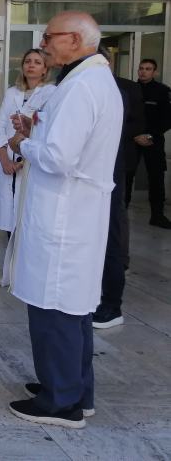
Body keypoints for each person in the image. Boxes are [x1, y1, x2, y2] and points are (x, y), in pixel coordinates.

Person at [4, 11, 122, 429]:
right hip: (73, 214)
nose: (43, 42)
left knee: (54, 307)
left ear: (73, 39)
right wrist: (37, 133)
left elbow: (58, 157)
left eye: (49, 36)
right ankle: (74, 388)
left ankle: (61, 402)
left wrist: (24, 142)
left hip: (63, 216)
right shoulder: (89, 80)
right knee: (73, 308)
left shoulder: (81, 87)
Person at [0, 48, 55, 282]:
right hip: (8, 163)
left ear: (45, 68)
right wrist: (4, 158)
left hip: (31, 164)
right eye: (28, 61)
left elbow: (47, 132)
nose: (31, 65)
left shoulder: (51, 93)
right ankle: (11, 272)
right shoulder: (12, 92)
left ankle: (28, 274)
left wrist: (23, 156)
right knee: (11, 220)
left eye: (37, 62)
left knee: (29, 219)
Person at [93, 69, 144, 329]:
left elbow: (135, 123)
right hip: (92, 175)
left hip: (110, 171)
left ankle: (112, 304)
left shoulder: (118, 90)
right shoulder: (83, 87)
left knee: (112, 235)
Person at [126, 58, 171, 228]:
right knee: (127, 176)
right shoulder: (130, 90)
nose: (143, 71)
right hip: (131, 140)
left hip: (154, 141)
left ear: (155, 72)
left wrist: (150, 136)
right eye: (141, 68)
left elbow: (167, 119)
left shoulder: (163, 91)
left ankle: (157, 216)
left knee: (156, 178)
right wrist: (135, 135)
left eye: (148, 69)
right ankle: (121, 211)